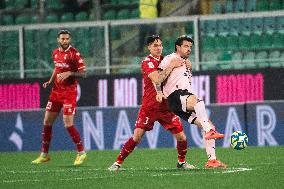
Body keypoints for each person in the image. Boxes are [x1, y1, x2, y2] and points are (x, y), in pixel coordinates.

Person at [108, 35, 196, 171]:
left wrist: (188, 66)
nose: (159, 48)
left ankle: (181, 162)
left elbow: (181, 71)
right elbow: (157, 79)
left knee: (182, 137)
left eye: (160, 45)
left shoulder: (167, 59)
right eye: (155, 45)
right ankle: (117, 163)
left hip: (166, 106)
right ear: (149, 47)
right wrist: (172, 66)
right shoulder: (147, 62)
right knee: (136, 137)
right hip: (150, 106)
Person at [157, 35, 227, 168]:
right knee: (198, 102)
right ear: (178, 47)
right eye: (186, 46)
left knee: (209, 124)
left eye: (190, 47)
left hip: (180, 100)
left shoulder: (187, 63)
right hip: (175, 96)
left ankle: (212, 160)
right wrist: (171, 66)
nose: (189, 49)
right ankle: (208, 131)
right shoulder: (170, 58)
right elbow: (158, 79)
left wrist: (190, 68)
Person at [32, 30, 87, 166]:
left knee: (68, 123)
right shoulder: (55, 53)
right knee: (47, 121)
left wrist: (70, 73)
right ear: (58, 40)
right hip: (56, 92)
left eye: (67, 39)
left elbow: (84, 73)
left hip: (69, 92)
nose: (65, 41)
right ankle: (44, 155)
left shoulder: (75, 54)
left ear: (69, 40)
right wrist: (50, 81)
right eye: (62, 39)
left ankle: (81, 152)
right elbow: (56, 68)